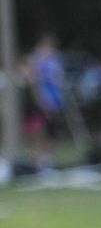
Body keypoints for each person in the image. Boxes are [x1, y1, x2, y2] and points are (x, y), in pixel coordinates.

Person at [27, 33, 67, 168]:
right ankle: (39, 158)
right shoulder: (36, 59)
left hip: (55, 100)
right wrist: (39, 100)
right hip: (41, 100)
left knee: (53, 130)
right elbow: (35, 81)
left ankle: (48, 158)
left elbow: (59, 78)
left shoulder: (56, 59)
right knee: (39, 129)